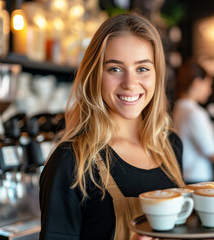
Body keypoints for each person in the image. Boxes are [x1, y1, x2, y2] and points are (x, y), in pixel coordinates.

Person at [39, 13, 186, 240]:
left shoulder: (170, 145)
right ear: (95, 74)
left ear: (157, 75)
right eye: (115, 69)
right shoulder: (71, 162)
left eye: (142, 69)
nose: (129, 84)